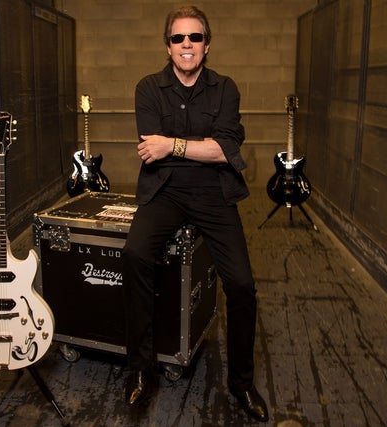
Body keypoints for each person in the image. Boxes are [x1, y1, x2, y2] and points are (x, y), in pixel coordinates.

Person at [121, 5, 269, 423]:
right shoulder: (148, 88)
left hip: (214, 194)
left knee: (241, 284)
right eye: (178, 38)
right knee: (134, 254)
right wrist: (198, 147)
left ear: (207, 44)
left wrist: (171, 145)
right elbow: (151, 149)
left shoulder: (226, 89)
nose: (187, 44)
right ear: (167, 46)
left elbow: (226, 151)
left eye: (195, 37)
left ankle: (241, 383)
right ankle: (141, 369)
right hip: (164, 192)